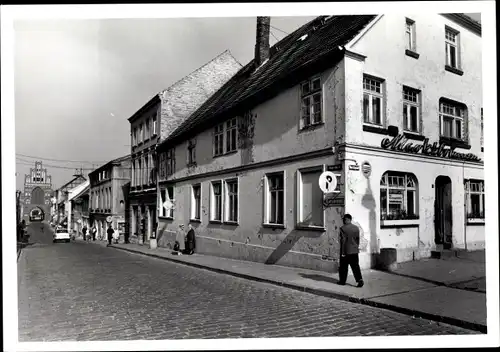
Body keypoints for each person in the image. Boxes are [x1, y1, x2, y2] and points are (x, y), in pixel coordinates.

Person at [338, 214, 364, 288]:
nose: (343, 221)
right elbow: (357, 239)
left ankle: (342, 281)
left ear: (347, 219)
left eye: (344, 219)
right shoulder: (356, 228)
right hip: (354, 251)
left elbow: (343, 241)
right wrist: (356, 246)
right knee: (356, 266)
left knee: (343, 267)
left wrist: (342, 252)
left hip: (346, 251)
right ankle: (360, 280)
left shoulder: (343, 228)